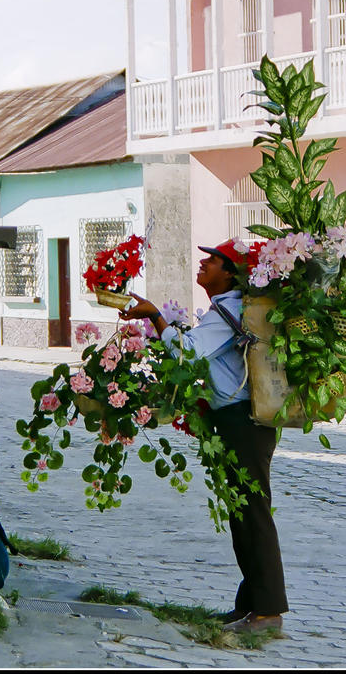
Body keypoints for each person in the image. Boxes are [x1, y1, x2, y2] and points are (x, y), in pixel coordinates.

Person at [119, 240, 288, 632]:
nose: (202, 263)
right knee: (242, 513)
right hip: (239, 421)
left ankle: (268, 612)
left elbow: (188, 354)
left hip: (243, 422)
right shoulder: (228, 309)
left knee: (252, 513)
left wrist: (157, 318)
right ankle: (251, 605)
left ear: (229, 273)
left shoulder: (229, 308)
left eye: (211, 260)